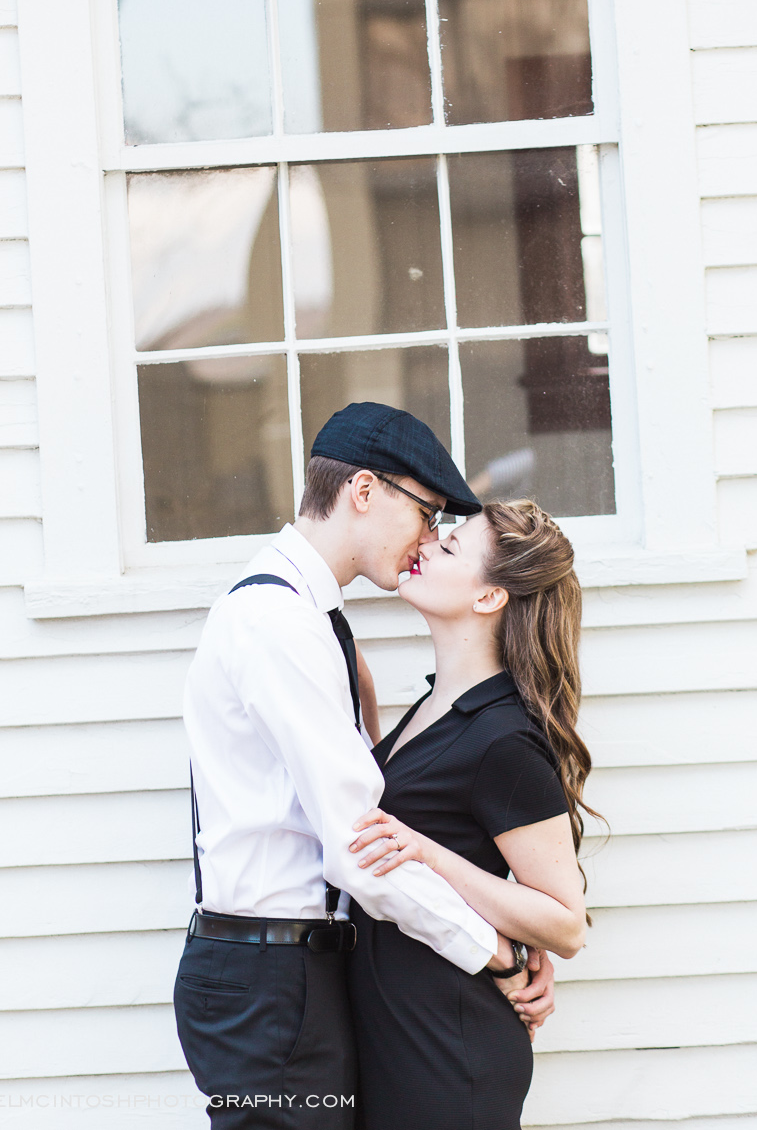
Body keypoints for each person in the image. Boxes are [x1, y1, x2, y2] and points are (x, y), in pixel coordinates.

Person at [175, 404, 556, 1129]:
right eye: (426, 513)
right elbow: (360, 848)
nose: (427, 541)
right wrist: (496, 955)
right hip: (269, 979)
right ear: (364, 491)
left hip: (294, 972)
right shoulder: (278, 622)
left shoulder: (310, 618)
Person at [345, 499, 594, 1130]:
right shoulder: (435, 707)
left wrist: (428, 853)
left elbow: (564, 924)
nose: (427, 545)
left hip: (448, 1053)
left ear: (488, 599)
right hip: (394, 1036)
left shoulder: (502, 737)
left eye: (450, 548)